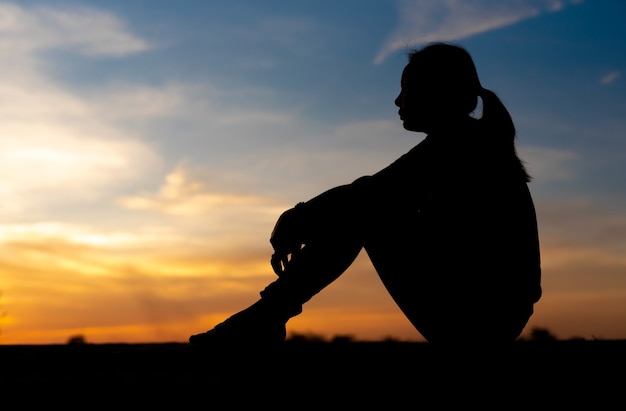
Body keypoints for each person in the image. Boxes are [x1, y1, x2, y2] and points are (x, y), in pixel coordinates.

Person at [189, 42, 542, 348]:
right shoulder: (463, 141)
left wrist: (293, 219)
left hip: (479, 318)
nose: (397, 99)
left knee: (365, 210)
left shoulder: (459, 144)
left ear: (436, 91)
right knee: (365, 206)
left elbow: (367, 196)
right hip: (482, 310)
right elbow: (373, 192)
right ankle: (265, 319)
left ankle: (264, 319)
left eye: (408, 88)